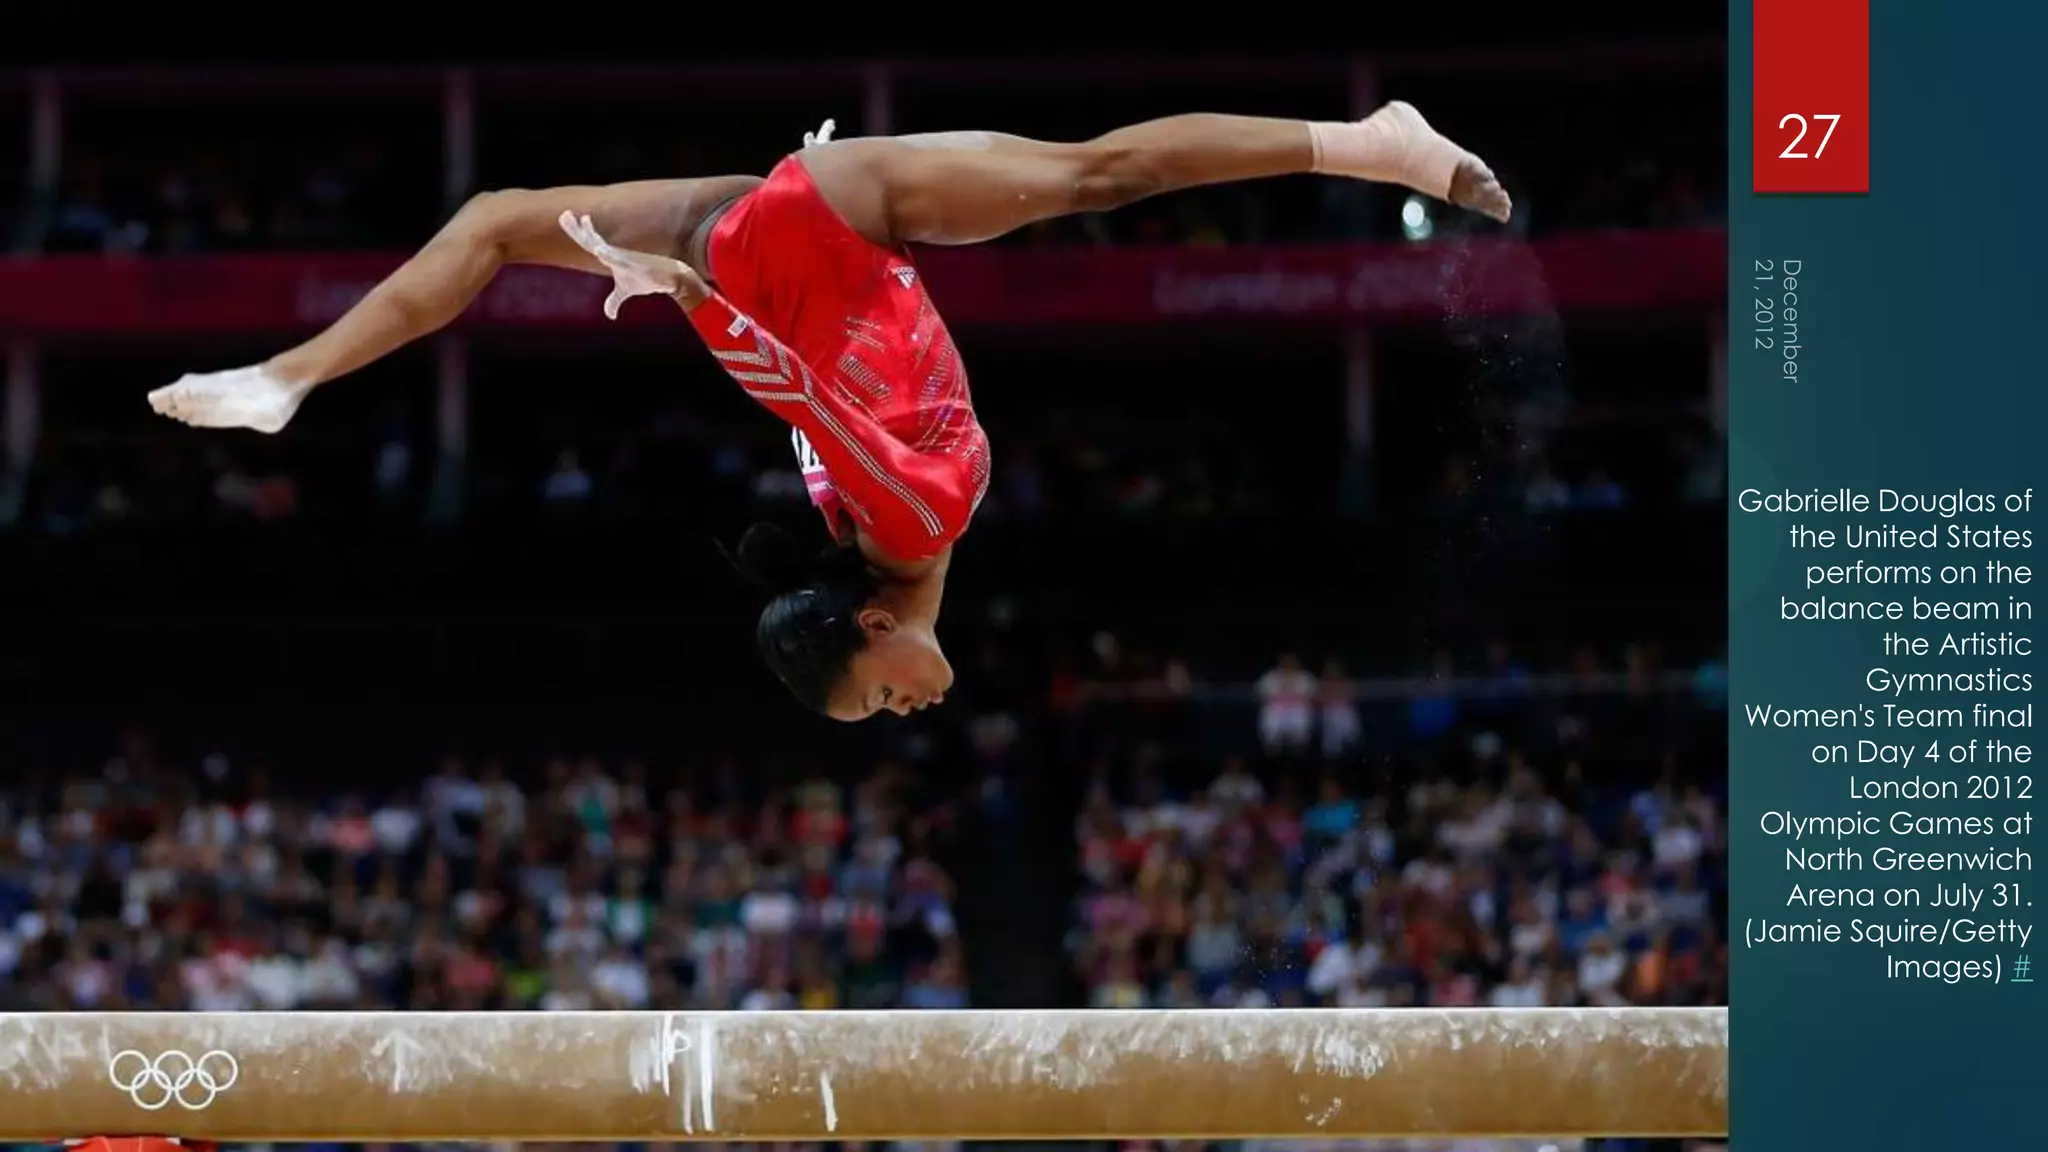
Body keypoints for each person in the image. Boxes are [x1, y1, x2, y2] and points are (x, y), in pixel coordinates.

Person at [148, 105, 1511, 720]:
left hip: (821, 227)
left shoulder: (912, 519)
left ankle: (1366, 142)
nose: (907, 712)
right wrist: (709, 290)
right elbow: (816, 408)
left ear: (871, 630)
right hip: (790, 241)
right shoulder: (885, 545)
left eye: (877, 707)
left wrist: (692, 295)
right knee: (499, 223)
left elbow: (804, 392)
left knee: (1100, 174)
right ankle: (286, 380)